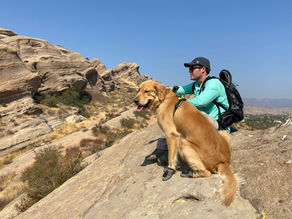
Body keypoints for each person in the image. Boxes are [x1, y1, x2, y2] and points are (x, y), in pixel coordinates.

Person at [145, 57, 229, 166]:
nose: (189, 70)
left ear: (203, 69)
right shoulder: (196, 85)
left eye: (192, 68)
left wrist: (177, 106)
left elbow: (201, 101)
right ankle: (162, 149)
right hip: (203, 121)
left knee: (180, 115)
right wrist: (158, 89)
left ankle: (175, 155)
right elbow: (179, 90)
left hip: (217, 123)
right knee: (171, 119)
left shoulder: (213, 83)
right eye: (189, 68)